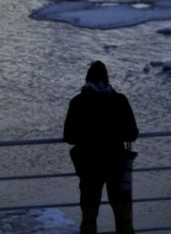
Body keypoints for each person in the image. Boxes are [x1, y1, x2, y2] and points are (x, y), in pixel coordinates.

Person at [64, 61, 139, 234]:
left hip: (88, 168)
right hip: (117, 166)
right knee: (123, 217)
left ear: (87, 79)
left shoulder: (77, 102)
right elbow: (132, 134)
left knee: (89, 218)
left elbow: (69, 137)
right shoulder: (120, 100)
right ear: (106, 79)